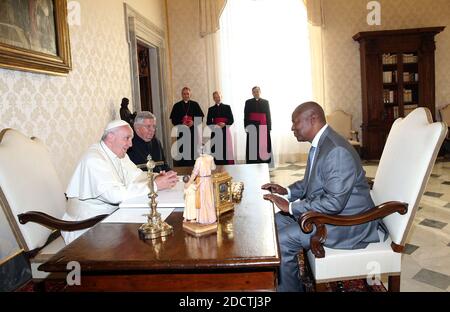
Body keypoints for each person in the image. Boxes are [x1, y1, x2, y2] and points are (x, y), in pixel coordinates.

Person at [262, 102, 382, 292]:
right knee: (274, 222)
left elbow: (334, 202)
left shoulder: (336, 150)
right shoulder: (322, 143)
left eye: (295, 122)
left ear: (313, 119)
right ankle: (287, 281)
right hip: (334, 215)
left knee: (283, 239)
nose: (292, 128)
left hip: (348, 222)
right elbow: (311, 183)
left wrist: (291, 207)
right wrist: (286, 191)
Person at [62, 120, 178, 244]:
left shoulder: (119, 154)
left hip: (111, 218)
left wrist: (156, 177)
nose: (131, 144)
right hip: (87, 227)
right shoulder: (94, 159)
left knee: (152, 231)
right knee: (142, 242)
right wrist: (154, 185)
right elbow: (115, 196)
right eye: (127, 138)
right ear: (111, 137)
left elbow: (136, 175)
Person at [169, 87, 204, 166]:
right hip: (182, 133)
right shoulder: (177, 105)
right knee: (182, 152)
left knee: (193, 152)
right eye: (184, 94)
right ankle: (183, 170)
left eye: (187, 93)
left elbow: (201, 118)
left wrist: (193, 122)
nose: (186, 95)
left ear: (190, 94)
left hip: (193, 133)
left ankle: (194, 169)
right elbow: (173, 120)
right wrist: (182, 124)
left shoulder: (195, 104)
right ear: (182, 95)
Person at [185, 150, 216, 224]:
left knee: (202, 200)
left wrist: (189, 183)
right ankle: (211, 218)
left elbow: (194, 173)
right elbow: (213, 168)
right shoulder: (210, 158)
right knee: (209, 200)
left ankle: (203, 219)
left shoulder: (199, 160)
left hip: (201, 181)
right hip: (208, 180)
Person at [244, 86, 272, 164]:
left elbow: (268, 115)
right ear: (252, 93)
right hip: (252, 126)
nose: (256, 93)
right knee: (253, 146)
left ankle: (264, 162)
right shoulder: (248, 102)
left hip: (263, 126)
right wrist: (246, 127)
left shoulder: (265, 102)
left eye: (257, 91)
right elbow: (246, 116)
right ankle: (253, 162)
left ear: (260, 92)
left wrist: (269, 127)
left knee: (263, 146)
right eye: (254, 92)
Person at [206, 91, 235, 165]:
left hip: (225, 132)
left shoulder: (227, 107)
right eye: (215, 97)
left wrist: (224, 124)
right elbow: (208, 122)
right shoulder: (211, 109)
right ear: (213, 98)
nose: (217, 98)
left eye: (218, 97)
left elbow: (231, 120)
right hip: (215, 133)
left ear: (221, 97)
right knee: (216, 151)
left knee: (225, 151)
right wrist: (215, 125)